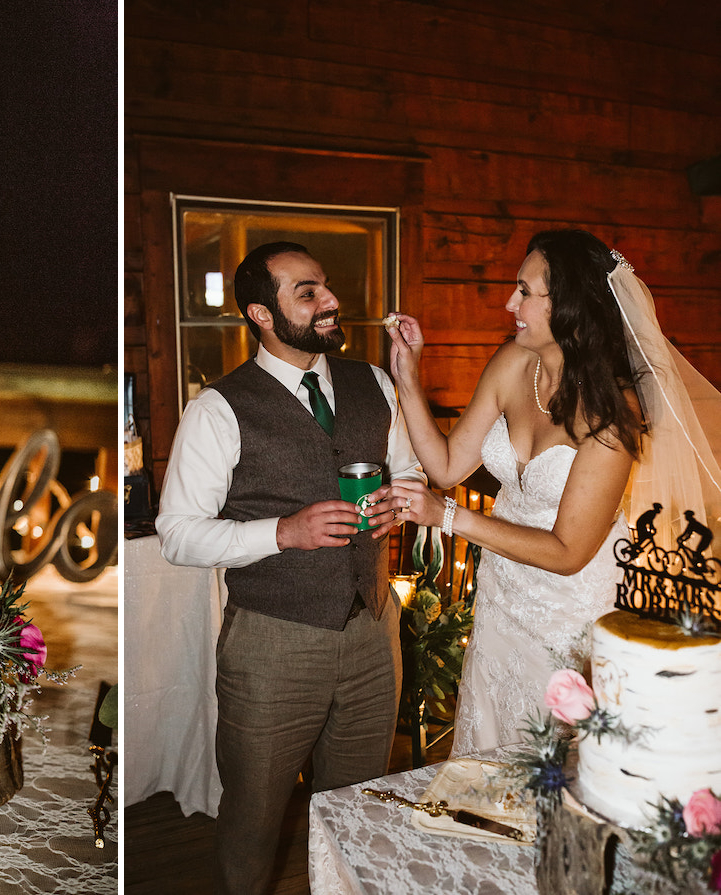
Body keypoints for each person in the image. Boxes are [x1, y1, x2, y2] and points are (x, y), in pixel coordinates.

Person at [383, 228, 721, 756]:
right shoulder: (514, 362)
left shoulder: (611, 414)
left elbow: (567, 552)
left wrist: (448, 518)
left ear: (567, 306)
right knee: (490, 740)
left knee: (553, 756)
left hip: (570, 610)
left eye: (524, 291)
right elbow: (447, 466)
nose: (508, 302)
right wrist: (408, 376)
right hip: (501, 597)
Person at [156, 241, 424, 895]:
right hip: (272, 642)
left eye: (325, 286)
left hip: (372, 629)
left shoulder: (375, 384)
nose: (330, 300)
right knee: (253, 820)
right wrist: (281, 531)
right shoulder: (218, 408)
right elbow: (177, 534)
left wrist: (399, 504)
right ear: (261, 313)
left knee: (355, 808)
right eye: (307, 292)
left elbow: (412, 471)